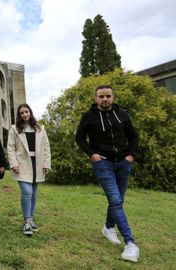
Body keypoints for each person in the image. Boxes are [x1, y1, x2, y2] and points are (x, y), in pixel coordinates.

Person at [75, 85, 140, 262]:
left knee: (119, 199)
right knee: (116, 200)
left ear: (113, 97)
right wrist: (92, 154)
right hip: (103, 163)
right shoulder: (89, 116)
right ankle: (131, 243)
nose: (105, 99)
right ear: (96, 99)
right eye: (101, 96)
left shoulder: (123, 114)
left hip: (124, 162)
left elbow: (133, 135)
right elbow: (79, 137)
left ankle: (108, 227)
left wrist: (132, 155)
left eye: (108, 96)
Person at [7, 103, 51, 235]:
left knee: (34, 192)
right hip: (22, 164)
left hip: (37, 163)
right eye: (21, 113)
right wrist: (13, 163)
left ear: (30, 112)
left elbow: (46, 146)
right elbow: (10, 147)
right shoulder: (15, 129)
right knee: (27, 191)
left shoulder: (40, 128)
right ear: (19, 115)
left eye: (26, 112)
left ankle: (31, 219)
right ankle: (27, 221)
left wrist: (47, 164)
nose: (24, 114)